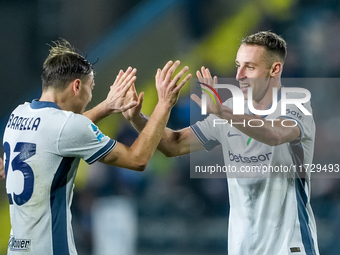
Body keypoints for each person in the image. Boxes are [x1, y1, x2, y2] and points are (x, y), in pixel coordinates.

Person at [123, 31, 319, 255]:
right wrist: (137, 118)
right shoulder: (229, 109)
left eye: (250, 67)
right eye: (238, 65)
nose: (239, 75)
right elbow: (173, 145)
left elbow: (273, 135)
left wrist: (223, 112)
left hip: (290, 248)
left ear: (275, 69)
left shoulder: (296, 105)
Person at [2, 40, 191, 255]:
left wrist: (107, 106)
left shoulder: (19, 114)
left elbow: (61, 132)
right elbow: (138, 159)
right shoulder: (66, 128)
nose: (91, 96)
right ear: (76, 86)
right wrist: (164, 104)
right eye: (91, 88)